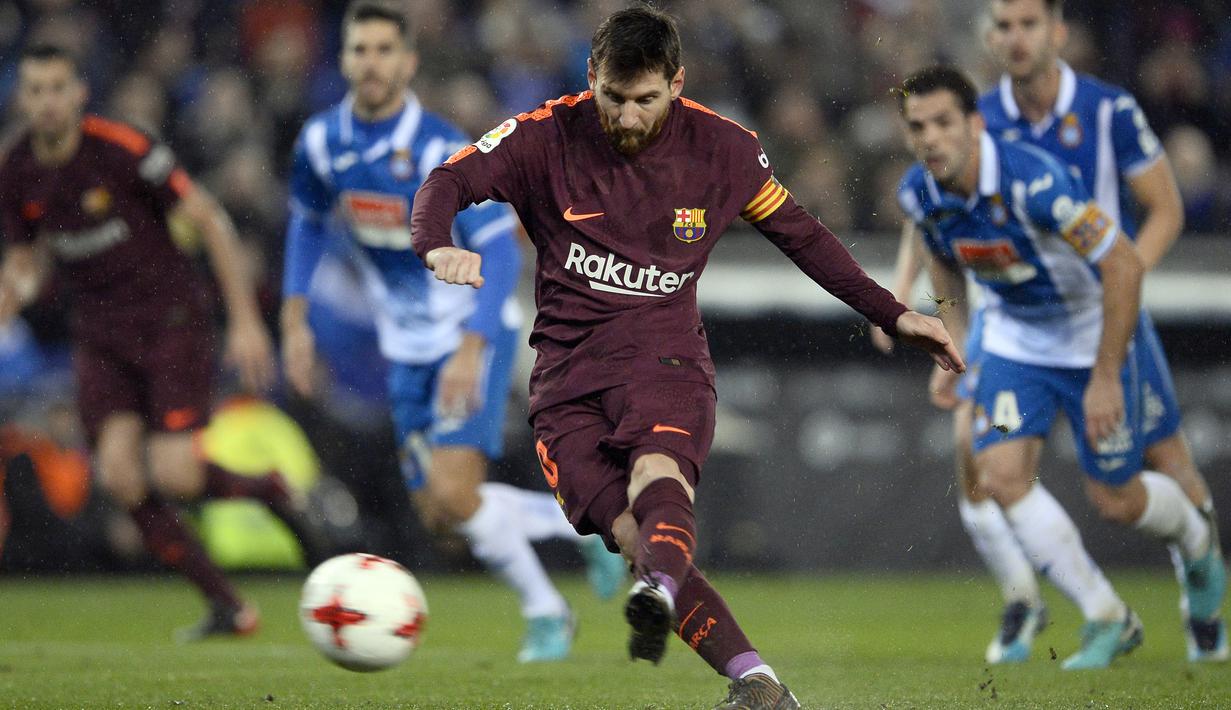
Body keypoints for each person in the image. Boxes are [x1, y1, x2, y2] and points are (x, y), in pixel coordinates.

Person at [412, 7, 963, 707]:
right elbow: (444, 183)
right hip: (565, 380)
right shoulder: (544, 136)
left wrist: (893, 312)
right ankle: (756, 683)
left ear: (677, 82)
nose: (630, 117)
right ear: (591, 77)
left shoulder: (724, 150)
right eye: (614, 97)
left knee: (657, 471)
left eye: (647, 99)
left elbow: (802, 237)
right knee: (632, 536)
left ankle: (659, 594)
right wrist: (436, 244)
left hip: (662, 359)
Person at [879, 0, 1227, 665]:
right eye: (1002, 25)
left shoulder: (1096, 119)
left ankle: (1199, 565)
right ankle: (1080, 610)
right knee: (990, 468)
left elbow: (1148, 226)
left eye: (1027, 23)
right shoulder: (953, 139)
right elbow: (936, 246)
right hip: (1014, 326)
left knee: (1128, 492)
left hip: (1098, 310)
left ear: (1057, 32)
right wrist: (943, 336)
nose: (1014, 37)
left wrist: (1114, 309)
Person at [279, 1, 626, 664]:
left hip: (471, 333)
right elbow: (305, 225)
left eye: (385, 50)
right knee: (441, 513)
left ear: (407, 63)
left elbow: (498, 251)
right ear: (344, 59)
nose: (371, 63)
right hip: (405, 347)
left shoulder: (443, 150)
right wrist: (293, 323)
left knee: (453, 492)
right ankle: (578, 528)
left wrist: (472, 347)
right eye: (359, 50)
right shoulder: (323, 143)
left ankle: (546, 612)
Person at [0, 44, 327, 640]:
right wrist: (14, 288)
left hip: (169, 319)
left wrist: (246, 322)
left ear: (78, 94)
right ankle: (228, 606)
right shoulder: (16, 168)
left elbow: (208, 219)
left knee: (175, 475)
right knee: (121, 476)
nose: (46, 102)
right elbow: (26, 256)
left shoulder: (123, 149)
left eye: (57, 88)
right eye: (34, 90)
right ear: (22, 98)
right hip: (98, 333)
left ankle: (272, 490)